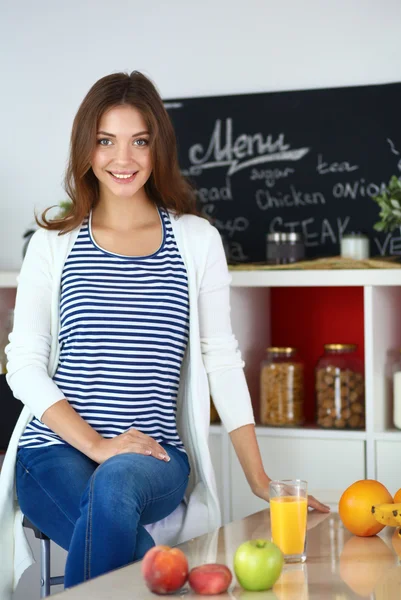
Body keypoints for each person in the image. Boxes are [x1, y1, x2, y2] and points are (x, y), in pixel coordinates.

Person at [0, 71, 330, 595]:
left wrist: (260, 480)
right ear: (86, 146)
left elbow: (221, 360)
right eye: (106, 140)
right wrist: (98, 444)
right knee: (122, 518)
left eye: (139, 141)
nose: (122, 158)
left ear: (159, 149)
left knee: (118, 481)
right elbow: (23, 364)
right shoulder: (53, 244)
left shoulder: (196, 241)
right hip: (54, 451)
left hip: (155, 458)